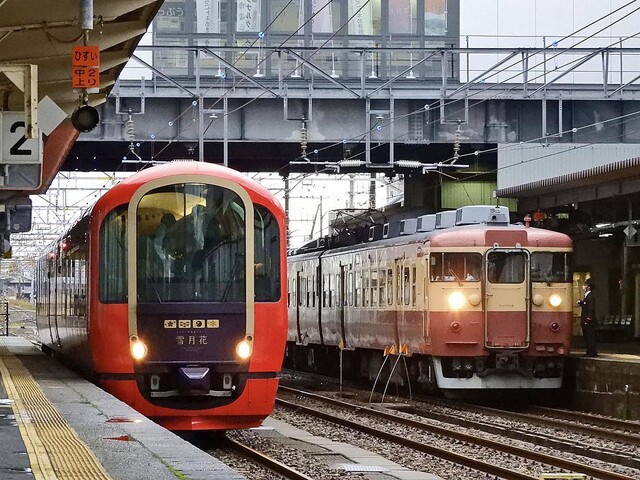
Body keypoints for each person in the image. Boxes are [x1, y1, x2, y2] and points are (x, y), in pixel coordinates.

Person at [577, 278, 598, 357]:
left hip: (589, 321)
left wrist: (588, 318)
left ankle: (592, 352)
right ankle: (589, 351)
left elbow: (591, 308)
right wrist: (581, 303)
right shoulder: (587, 296)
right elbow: (586, 305)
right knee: (587, 337)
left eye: (585, 285)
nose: (584, 287)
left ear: (588, 287)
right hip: (585, 320)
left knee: (590, 337)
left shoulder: (590, 296)